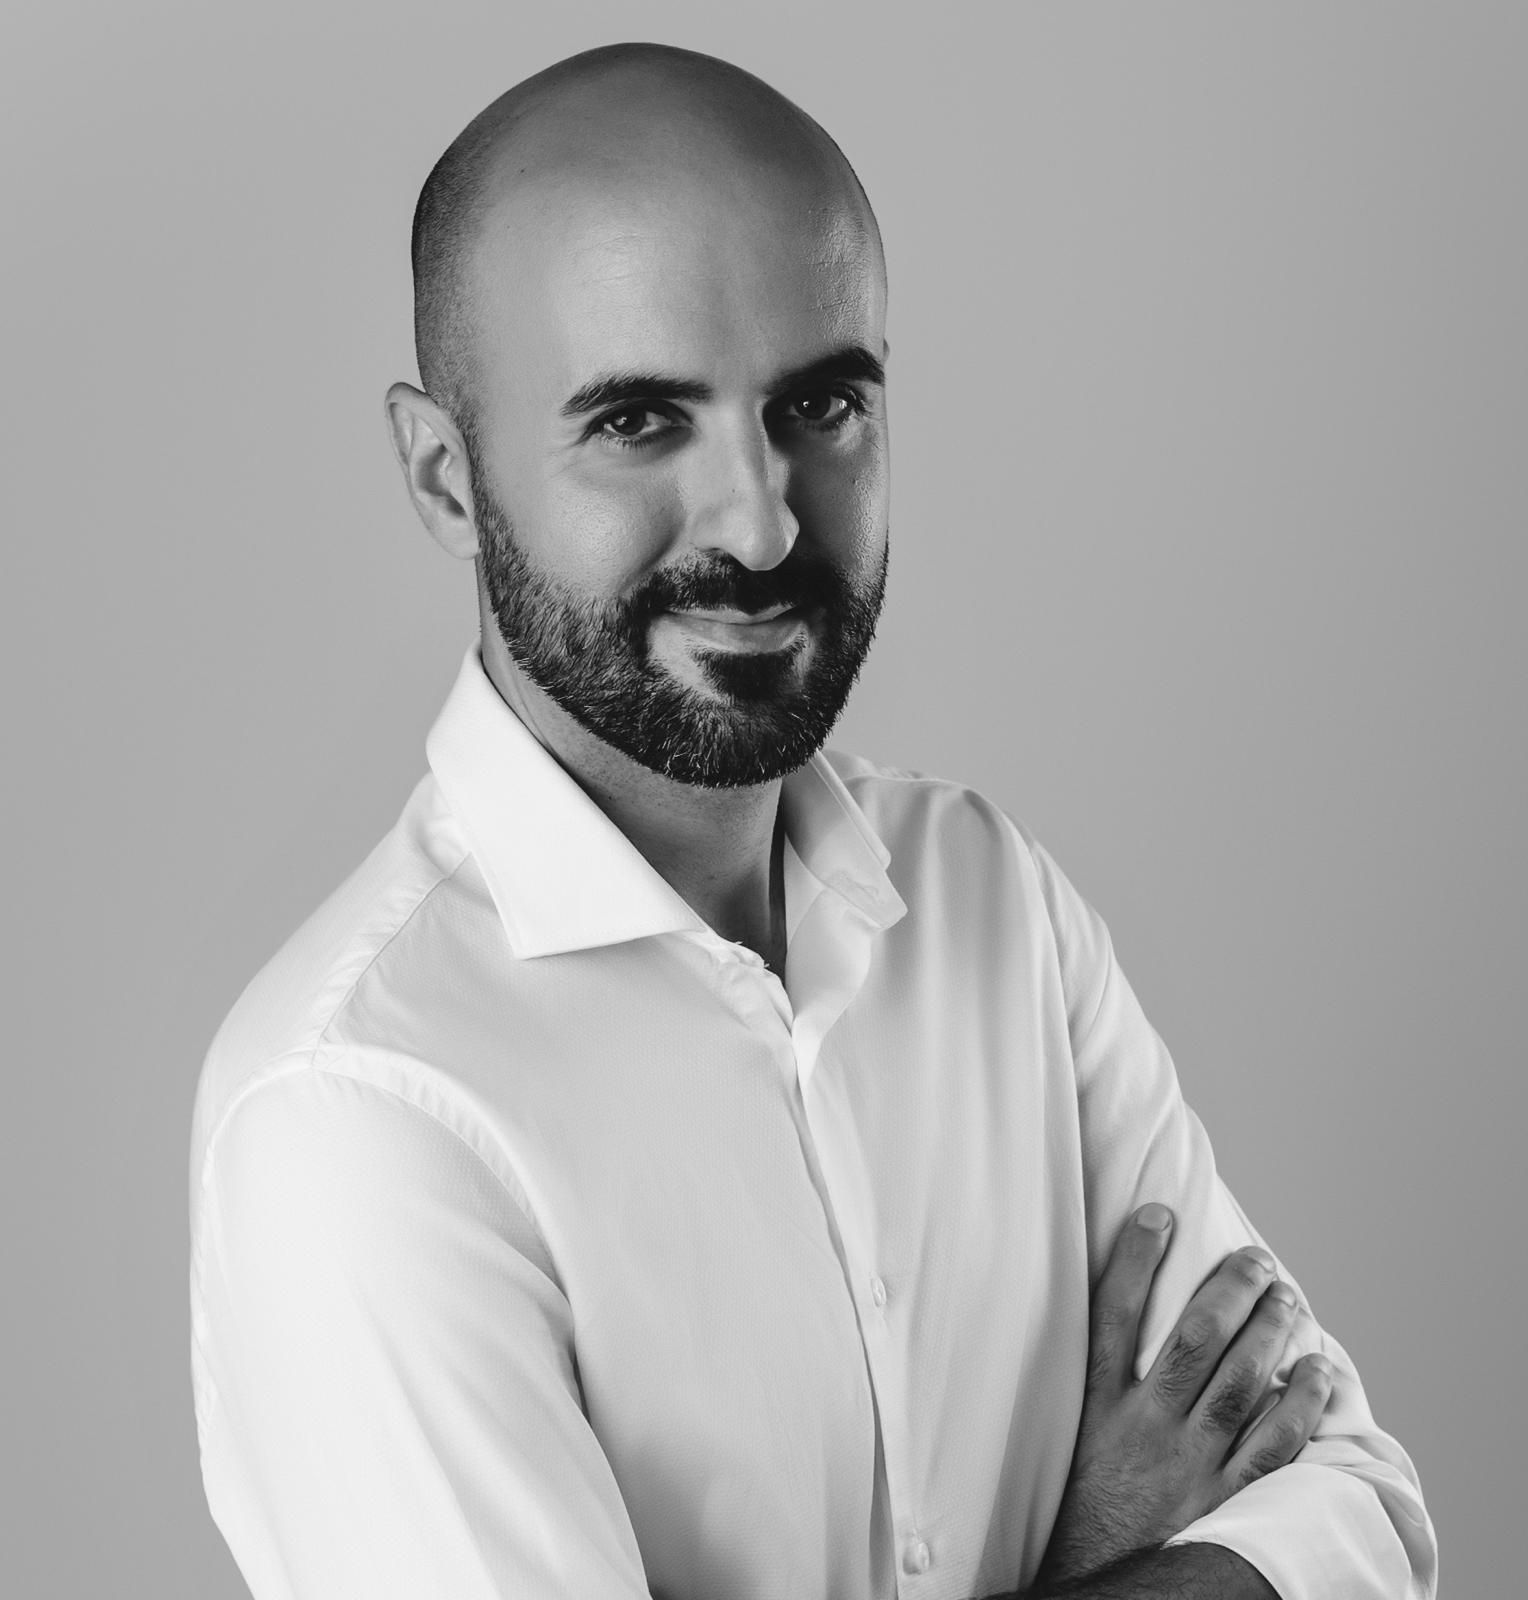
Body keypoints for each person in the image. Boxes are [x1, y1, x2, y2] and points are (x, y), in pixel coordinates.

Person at [188, 42, 1435, 1600]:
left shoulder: (990, 904)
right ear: (447, 479)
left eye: (821, 404)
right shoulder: (359, 1115)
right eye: (640, 422)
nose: (764, 520)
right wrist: (1096, 1549)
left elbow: (1360, 1520)